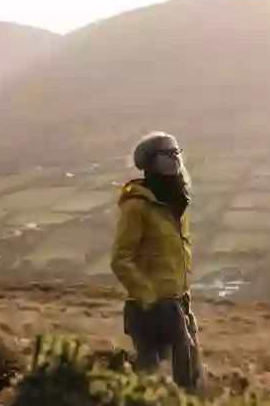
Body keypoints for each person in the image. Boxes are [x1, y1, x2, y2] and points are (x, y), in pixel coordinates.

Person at [110, 131, 203, 393]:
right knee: (156, 386)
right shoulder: (137, 206)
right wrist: (149, 297)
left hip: (178, 304)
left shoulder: (174, 204)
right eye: (166, 154)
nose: (174, 160)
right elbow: (120, 259)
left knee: (189, 380)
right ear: (150, 162)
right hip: (151, 311)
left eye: (176, 153)